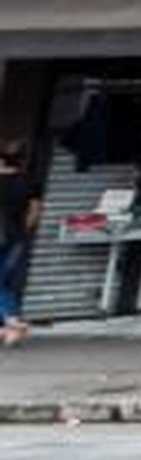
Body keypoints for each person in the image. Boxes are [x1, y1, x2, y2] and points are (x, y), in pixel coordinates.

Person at [1, 142, 42, 347]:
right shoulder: (30, 182)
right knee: (4, 282)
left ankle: (12, 321)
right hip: (15, 238)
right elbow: (34, 214)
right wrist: (21, 233)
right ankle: (9, 327)